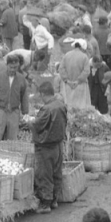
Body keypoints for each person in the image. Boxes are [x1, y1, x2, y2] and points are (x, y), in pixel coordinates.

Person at [31, 81, 67, 213]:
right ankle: (54, 200)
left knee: (44, 174)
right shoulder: (61, 105)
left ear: (42, 94)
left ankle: (45, 203)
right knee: (56, 172)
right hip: (58, 144)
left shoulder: (46, 109)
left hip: (45, 146)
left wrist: (29, 122)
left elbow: (38, 124)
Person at [0, 54, 29, 142]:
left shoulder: (21, 79)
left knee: (12, 140)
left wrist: (25, 111)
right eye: (11, 67)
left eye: (15, 67)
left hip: (14, 111)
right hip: (0, 110)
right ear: (6, 65)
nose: (13, 69)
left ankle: (9, 155)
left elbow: (24, 95)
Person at [59, 40, 90, 109]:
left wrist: (66, 80)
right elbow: (86, 71)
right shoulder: (84, 57)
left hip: (68, 85)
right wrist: (78, 81)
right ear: (82, 47)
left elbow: (61, 68)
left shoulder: (67, 55)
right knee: (80, 107)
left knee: (68, 105)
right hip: (80, 85)